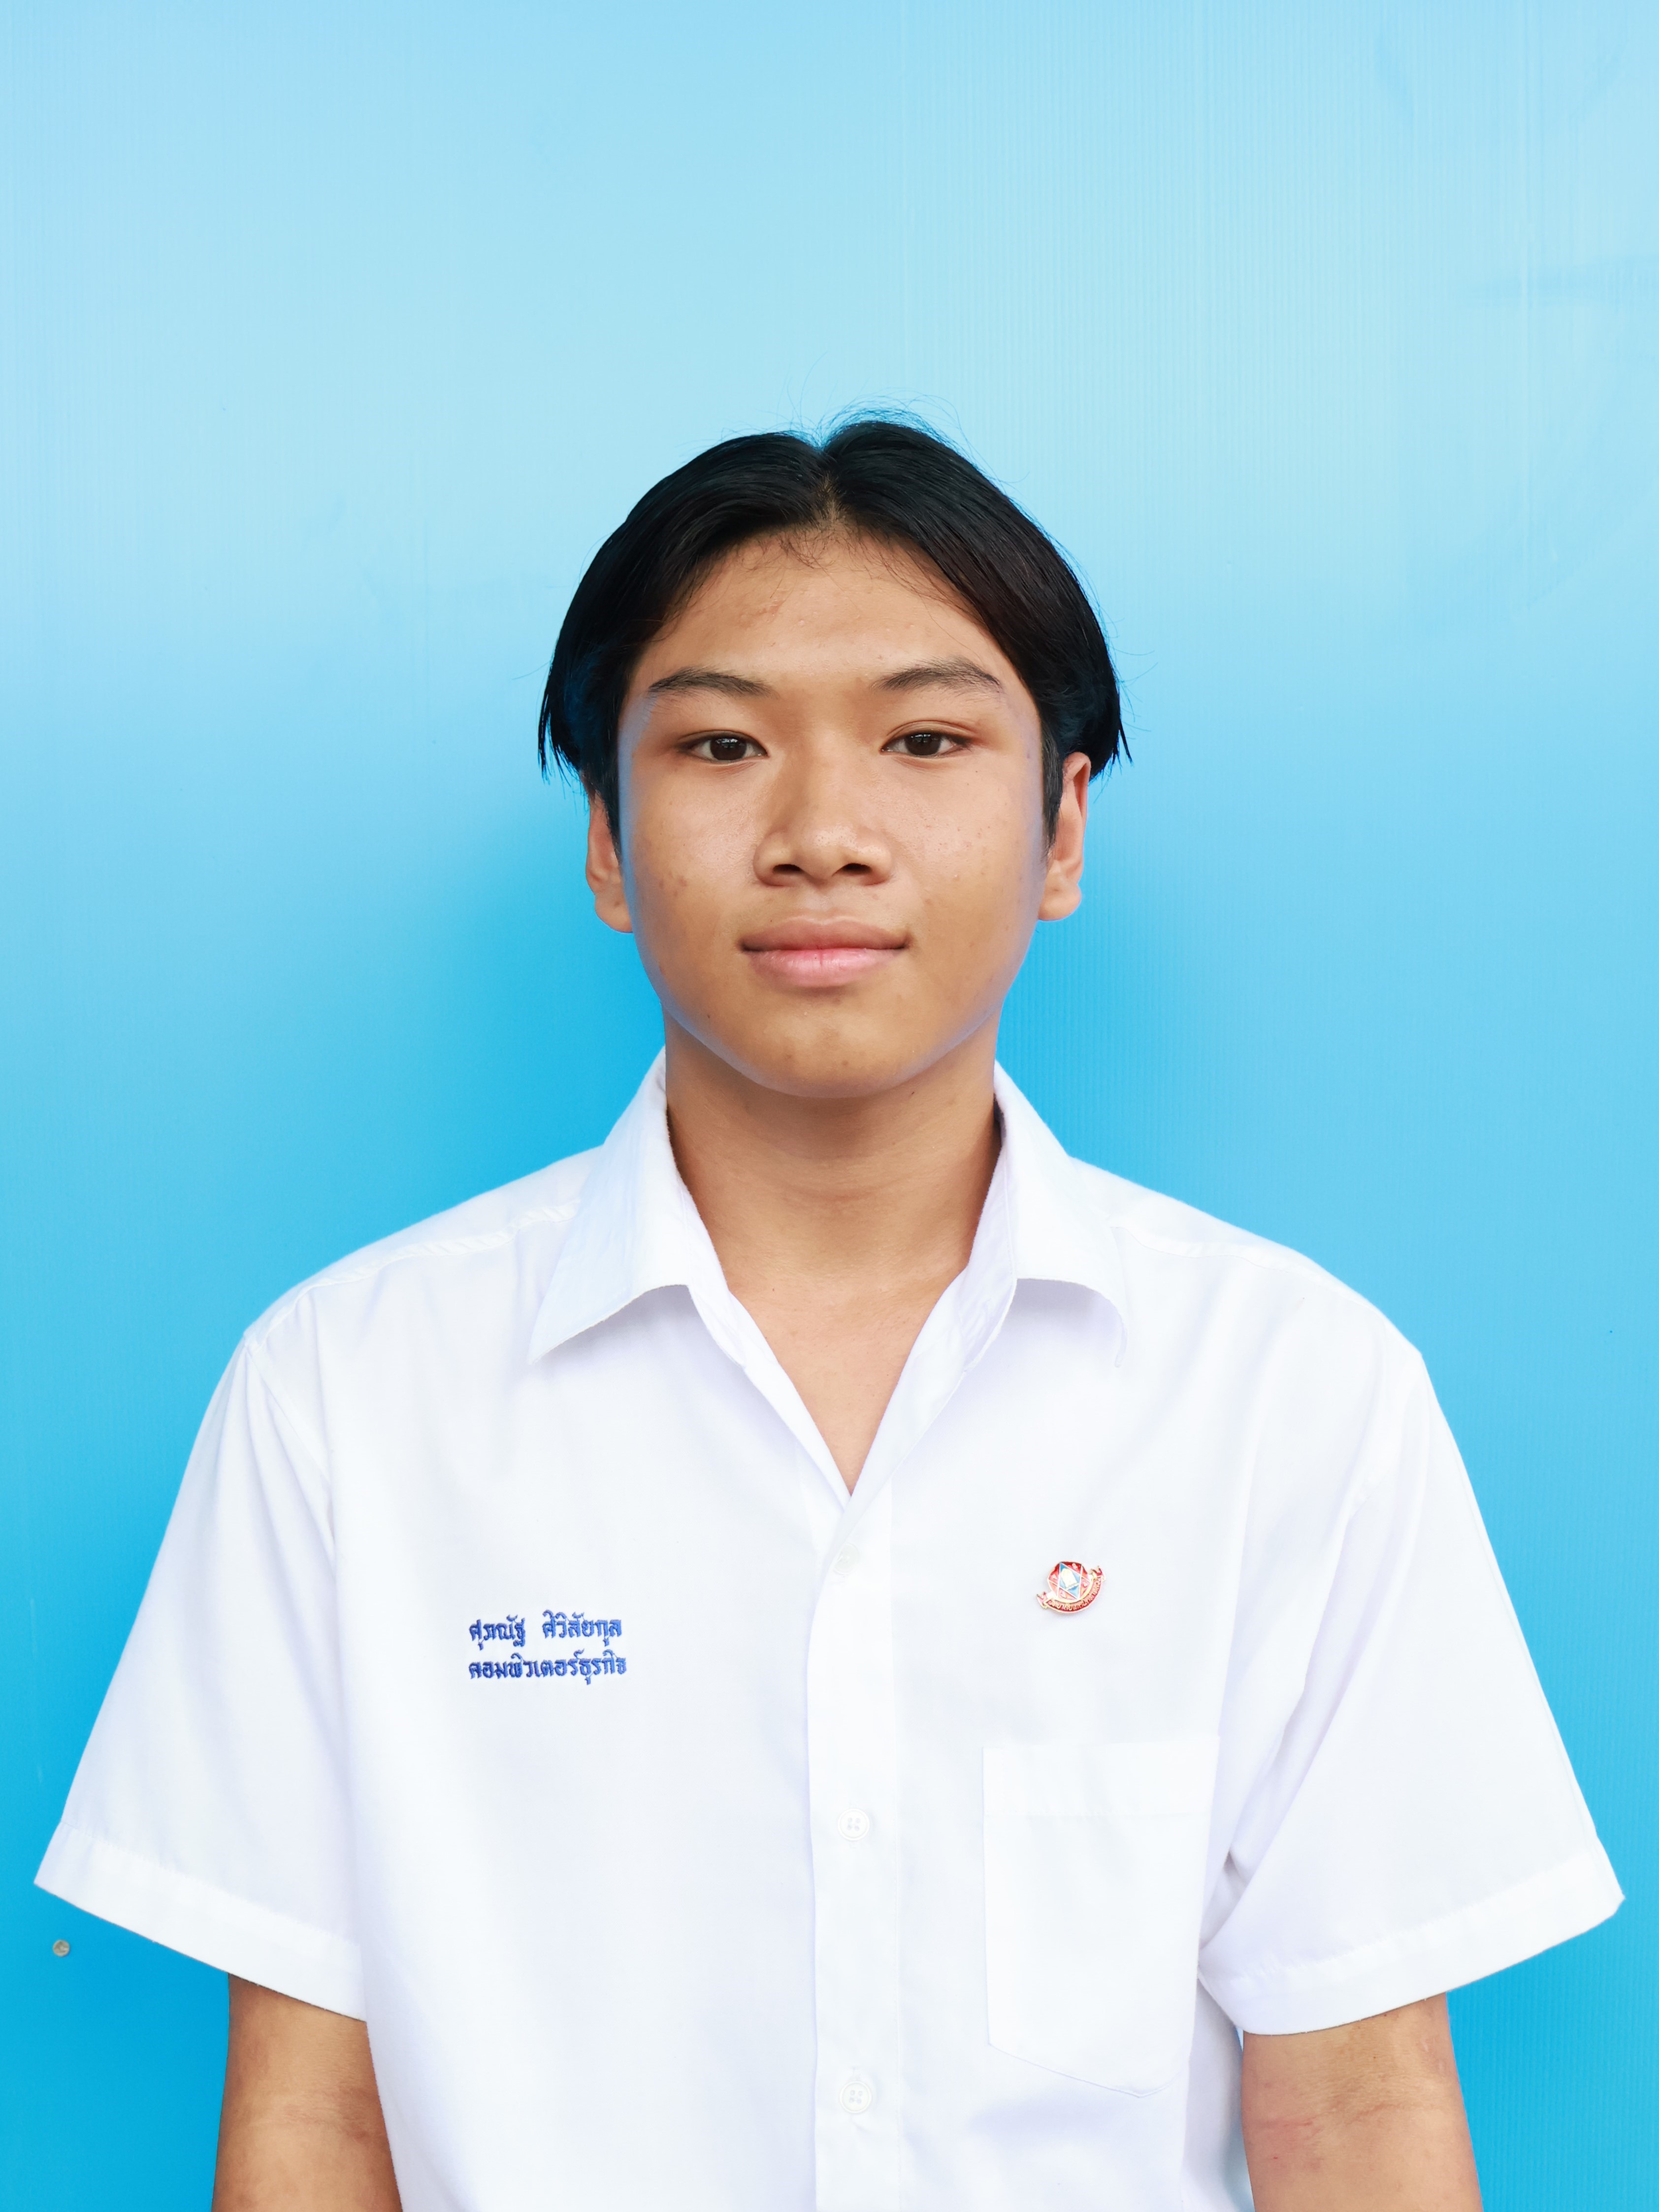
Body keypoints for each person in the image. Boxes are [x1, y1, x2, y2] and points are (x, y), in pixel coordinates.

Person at [39, 419, 1618, 2212]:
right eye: (720, 745)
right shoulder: (349, 1392)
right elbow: (316, 2125)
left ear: (1062, 828)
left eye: (925, 741)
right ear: (608, 842)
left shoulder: (1287, 1390)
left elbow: (1354, 2110)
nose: (821, 836)